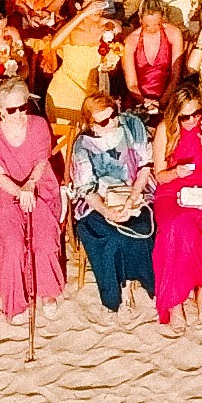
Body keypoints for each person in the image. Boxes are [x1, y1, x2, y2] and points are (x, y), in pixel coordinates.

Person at [0, 81, 66, 320]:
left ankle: (47, 292)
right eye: (11, 110)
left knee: (45, 237)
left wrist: (29, 186)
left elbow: (41, 162)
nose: (18, 114)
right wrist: (19, 192)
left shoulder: (38, 125)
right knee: (13, 243)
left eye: (22, 107)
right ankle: (14, 299)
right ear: (0, 112)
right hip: (6, 193)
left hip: (39, 187)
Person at [68, 90, 159, 310]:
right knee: (111, 236)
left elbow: (145, 167)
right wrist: (109, 212)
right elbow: (87, 190)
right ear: (92, 124)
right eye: (105, 120)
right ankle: (121, 286)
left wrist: (133, 197)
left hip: (135, 190)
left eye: (114, 114)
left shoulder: (132, 125)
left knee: (142, 227)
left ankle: (142, 279)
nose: (114, 121)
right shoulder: (83, 146)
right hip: (98, 202)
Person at [151, 87, 202, 323]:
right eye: (186, 116)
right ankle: (175, 300)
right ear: (176, 114)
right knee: (178, 226)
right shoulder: (165, 129)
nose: (192, 120)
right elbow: (159, 176)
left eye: (196, 113)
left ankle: (201, 295)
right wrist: (176, 172)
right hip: (172, 193)